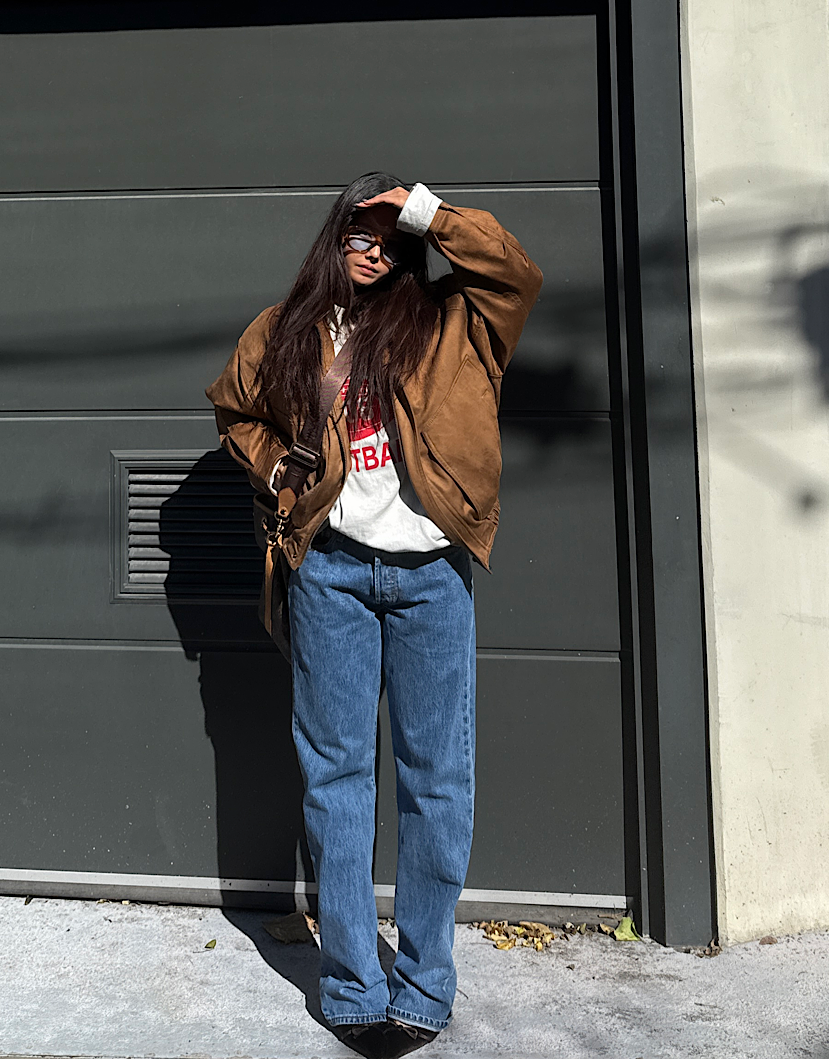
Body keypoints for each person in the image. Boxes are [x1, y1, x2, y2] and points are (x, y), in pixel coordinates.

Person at [206, 173, 543, 1059]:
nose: (374, 251)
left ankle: (426, 984)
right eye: (360, 232)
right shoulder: (285, 329)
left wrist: (423, 210)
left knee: (438, 783)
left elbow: (515, 272)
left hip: (432, 576)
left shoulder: (455, 320)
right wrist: (278, 470)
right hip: (330, 575)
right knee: (337, 780)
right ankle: (353, 984)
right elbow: (234, 409)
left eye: (392, 239)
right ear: (334, 237)